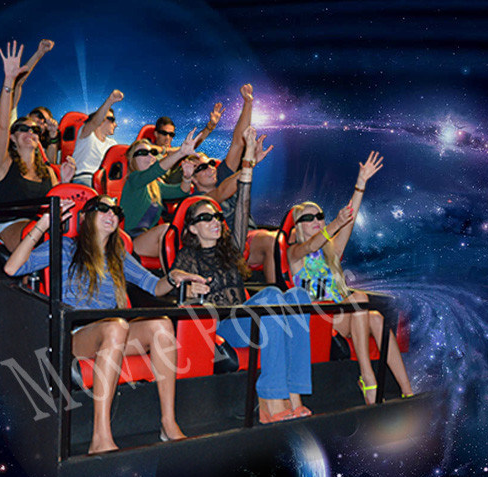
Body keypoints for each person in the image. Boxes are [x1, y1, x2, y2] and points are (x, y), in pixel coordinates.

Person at [4, 194, 209, 453]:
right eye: (103, 209)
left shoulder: (118, 255)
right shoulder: (66, 247)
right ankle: (100, 438)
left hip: (113, 332)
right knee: (116, 326)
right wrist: (44, 225)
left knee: (162, 324)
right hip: (76, 333)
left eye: (116, 211)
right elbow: (12, 268)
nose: (112, 214)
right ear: (84, 217)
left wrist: (173, 277)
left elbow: (153, 286)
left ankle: (168, 424)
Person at [173, 127, 313, 423]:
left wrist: (249, 160)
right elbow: (177, 279)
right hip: (222, 326)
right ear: (192, 228)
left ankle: (295, 396)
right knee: (271, 298)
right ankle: (270, 400)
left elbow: (243, 199)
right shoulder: (187, 254)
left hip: (247, 316)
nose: (214, 221)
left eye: (216, 216)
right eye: (205, 218)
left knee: (296, 296)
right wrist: (185, 282)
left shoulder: (232, 248)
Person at [287, 151, 414, 404]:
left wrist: (360, 184)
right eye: (308, 218)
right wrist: (333, 223)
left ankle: (407, 391)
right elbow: (311, 245)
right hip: (317, 317)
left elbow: (349, 220)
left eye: (319, 216)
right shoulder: (295, 253)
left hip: (343, 315)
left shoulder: (330, 250)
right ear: (297, 225)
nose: (316, 220)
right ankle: (367, 376)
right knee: (359, 297)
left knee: (376, 318)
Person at [187, 84, 279, 283]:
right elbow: (222, 192)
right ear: (193, 178)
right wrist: (250, 163)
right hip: (229, 245)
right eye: (201, 168)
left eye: (210, 164)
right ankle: (279, 297)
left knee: (295, 236)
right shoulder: (197, 199)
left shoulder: (222, 174)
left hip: (249, 234)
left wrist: (248, 103)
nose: (210, 168)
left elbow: (238, 141)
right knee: (272, 242)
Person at [0, 41, 75, 251]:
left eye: (35, 130)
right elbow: (1, 126)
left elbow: (56, 205)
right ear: (13, 138)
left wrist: (64, 183)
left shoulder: (48, 171)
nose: (30, 132)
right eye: (23, 129)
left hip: (43, 225)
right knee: (39, 234)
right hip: (13, 225)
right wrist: (9, 80)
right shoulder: (3, 163)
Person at [0, 39, 56, 183]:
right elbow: (17, 84)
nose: (41, 121)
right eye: (39, 115)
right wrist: (39, 53)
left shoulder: (34, 145)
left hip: (16, 179)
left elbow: (50, 166)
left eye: (44, 122)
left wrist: (53, 137)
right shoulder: (10, 119)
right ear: (28, 115)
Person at [119, 129, 202, 263]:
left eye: (152, 152)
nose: (149, 156)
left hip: (148, 238)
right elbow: (156, 170)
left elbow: (182, 191)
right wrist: (181, 152)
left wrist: (187, 178)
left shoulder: (155, 186)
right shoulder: (133, 180)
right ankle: (174, 275)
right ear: (131, 159)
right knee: (166, 230)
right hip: (129, 239)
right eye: (142, 153)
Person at [155, 103, 224, 184]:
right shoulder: (148, 150)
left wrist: (210, 126)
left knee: (199, 158)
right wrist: (168, 150)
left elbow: (193, 145)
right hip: (167, 185)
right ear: (156, 134)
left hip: (184, 181)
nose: (167, 137)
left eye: (171, 134)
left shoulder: (174, 152)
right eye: (164, 133)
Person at [71, 90, 123, 186]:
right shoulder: (86, 134)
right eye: (112, 119)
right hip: (84, 179)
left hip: (103, 182)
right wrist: (110, 101)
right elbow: (95, 122)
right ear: (101, 120)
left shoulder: (112, 144)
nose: (115, 125)